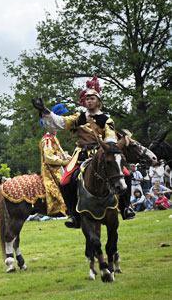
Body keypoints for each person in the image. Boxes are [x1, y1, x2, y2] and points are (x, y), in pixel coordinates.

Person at [34, 75, 134, 228]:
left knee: (126, 174)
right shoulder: (79, 117)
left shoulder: (106, 120)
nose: (89, 101)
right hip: (80, 155)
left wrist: (107, 150)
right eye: (87, 99)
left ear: (98, 101)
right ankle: (74, 215)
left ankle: (126, 208)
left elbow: (111, 138)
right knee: (65, 181)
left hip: (101, 153)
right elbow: (61, 122)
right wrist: (45, 111)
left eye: (92, 98)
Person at [39, 104, 71, 217]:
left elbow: (60, 152)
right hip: (52, 168)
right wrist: (63, 161)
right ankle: (64, 207)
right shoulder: (47, 139)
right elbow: (49, 157)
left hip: (58, 164)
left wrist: (70, 158)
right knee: (65, 183)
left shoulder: (54, 138)